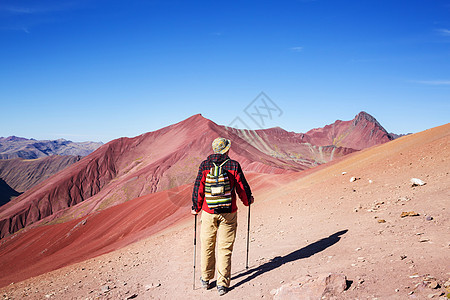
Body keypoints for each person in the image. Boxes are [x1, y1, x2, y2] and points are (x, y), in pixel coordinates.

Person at [191, 137, 254, 296]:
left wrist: (195, 207)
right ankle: (222, 284)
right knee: (225, 248)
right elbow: (242, 186)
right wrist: (248, 201)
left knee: (207, 245)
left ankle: (205, 279)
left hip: (208, 212)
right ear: (227, 149)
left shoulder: (205, 165)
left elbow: (199, 187)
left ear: (214, 149)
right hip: (229, 212)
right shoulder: (233, 165)